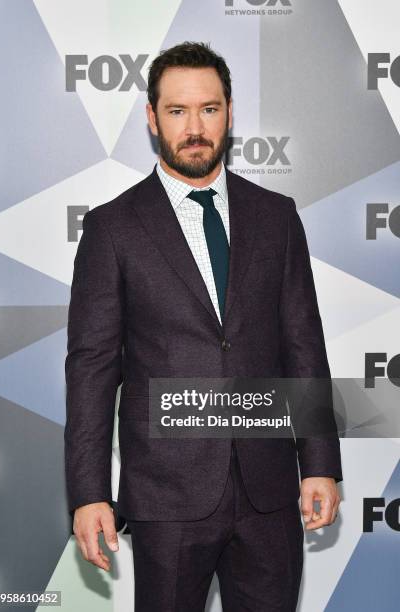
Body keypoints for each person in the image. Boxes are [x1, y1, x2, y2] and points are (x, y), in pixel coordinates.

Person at [64, 41, 343, 611]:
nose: (195, 127)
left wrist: (319, 463)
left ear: (230, 112)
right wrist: (89, 493)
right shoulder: (112, 229)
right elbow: (92, 369)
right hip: (168, 496)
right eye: (177, 111)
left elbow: (302, 344)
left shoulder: (276, 217)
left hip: (268, 494)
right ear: (151, 118)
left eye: (209, 109)